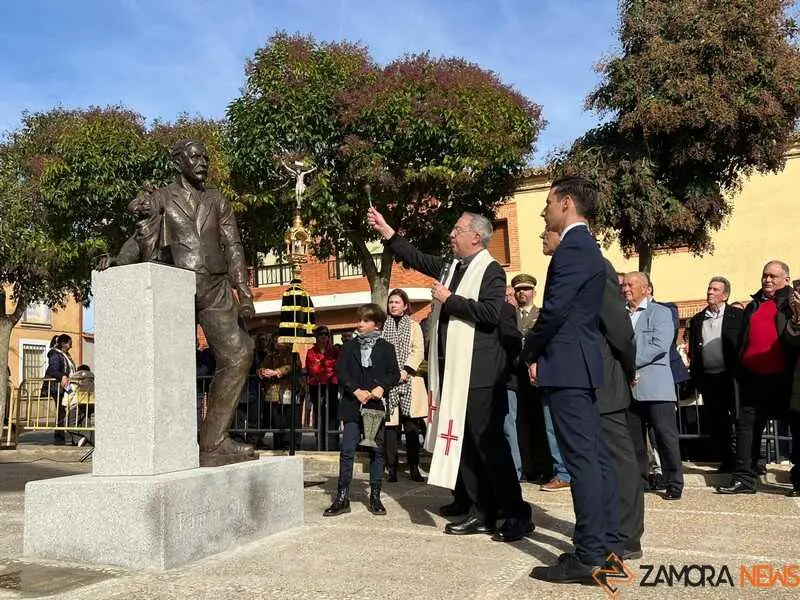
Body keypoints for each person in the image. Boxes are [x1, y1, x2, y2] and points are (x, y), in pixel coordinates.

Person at [368, 206, 532, 543]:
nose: (451, 235)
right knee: (464, 443)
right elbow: (416, 257)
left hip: (479, 374)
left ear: (476, 236)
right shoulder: (452, 265)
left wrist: (449, 299)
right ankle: (478, 507)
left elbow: (489, 313)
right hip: (454, 371)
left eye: (457, 230)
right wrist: (387, 232)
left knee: (488, 446)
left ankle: (515, 513)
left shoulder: (491, 271)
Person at [97, 139, 255, 466]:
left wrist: (244, 291)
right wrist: (120, 261)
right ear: (178, 162)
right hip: (177, 286)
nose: (202, 163)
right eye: (194, 157)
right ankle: (167, 446)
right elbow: (141, 232)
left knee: (240, 353)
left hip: (214, 284)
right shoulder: (162, 197)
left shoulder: (217, 200)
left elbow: (234, 245)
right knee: (171, 365)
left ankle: (213, 443)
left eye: (205, 157)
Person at [522, 177, 620, 584]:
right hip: (578, 365)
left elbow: (556, 310)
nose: (544, 211)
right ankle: (601, 544)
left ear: (566, 203)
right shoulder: (584, 248)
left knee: (582, 462)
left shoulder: (573, 248)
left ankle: (590, 556)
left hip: (567, 366)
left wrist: (530, 351)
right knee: (592, 459)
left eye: (547, 203)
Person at [718, 261, 794, 494]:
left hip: (784, 379)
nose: (767, 280)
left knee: (797, 428)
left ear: (786, 279)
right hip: (752, 379)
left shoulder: (791, 303)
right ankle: (743, 478)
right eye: (764, 276)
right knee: (746, 428)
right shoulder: (753, 305)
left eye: (773, 276)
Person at [323, 303, 400, 517]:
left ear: (376, 325)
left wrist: (380, 387)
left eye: (365, 320)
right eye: (360, 320)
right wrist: (355, 390)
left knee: (376, 451)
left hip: (374, 405)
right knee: (347, 449)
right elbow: (341, 370)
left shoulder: (386, 347)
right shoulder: (349, 346)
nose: (360, 324)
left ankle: (375, 495)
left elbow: (393, 373)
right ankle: (342, 496)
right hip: (352, 404)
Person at [623, 272, 684, 500]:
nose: (625, 288)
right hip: (630, 389)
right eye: (624, 284)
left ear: (645, 288)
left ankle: (674, 482)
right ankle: (641, 480)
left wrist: (630, 365)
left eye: (630, 284)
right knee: (634, 439)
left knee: (665, 437)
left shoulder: (661, 312)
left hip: (656, 387)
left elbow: (659, 344)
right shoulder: (622, 315)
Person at [686, 277, 743, 470]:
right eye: (709, 288)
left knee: (739, 418)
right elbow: (693, 349)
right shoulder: (697, 319)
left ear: (725, 295)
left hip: (732, 376)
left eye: (715, 289)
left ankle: (745, 459)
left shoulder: (738, 316)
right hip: (709, 378)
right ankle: (727, 459)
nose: (710, 292)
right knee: (718, 420)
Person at [512, 273, 555, 486]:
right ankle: (527, 467)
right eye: (519, 289)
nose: (522, 293)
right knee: (521, 424)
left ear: (533, 292)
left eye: (526, 289)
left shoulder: (541, 314)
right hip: (516, 377)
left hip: (537, 375)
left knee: (541, 424)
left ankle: (545, 468)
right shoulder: (511, 316)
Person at [381, 289, 428, 483]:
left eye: (397, 302)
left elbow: (419, 350)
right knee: (391, 429)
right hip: (390, 382)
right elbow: (381, 352)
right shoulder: (384, 327)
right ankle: (392, 468)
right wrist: (392, 373)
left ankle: (414, 467)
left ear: (405, 305)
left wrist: (405, 370)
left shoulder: (414, 326)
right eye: (391, 302)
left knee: (411, 428)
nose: (393, 305)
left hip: (410, 380)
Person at [306, 326, 341, 450]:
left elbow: (337, 367)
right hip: (316, 387)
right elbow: (312, 369)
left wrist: (326, 371)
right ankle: (320, 443)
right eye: (321, 334)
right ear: (316, 336)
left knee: (332, 414)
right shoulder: (311, 352)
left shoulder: (335, 351)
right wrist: (327, 370)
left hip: (332, 386)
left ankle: (332, 443)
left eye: (326, 334)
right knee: (319, 414)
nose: (324, 336)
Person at [42, 334, 75, 445]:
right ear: (63, 344)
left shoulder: (65, 355)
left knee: (72, 407)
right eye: (70, 343)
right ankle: (59, 438)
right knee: (61, 411)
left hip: (67, 386)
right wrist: (62, 377)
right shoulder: (55, 354)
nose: (71, 346)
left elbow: (69, 370)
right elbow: (53, 370)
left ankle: (74, 435)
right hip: (57, 387)